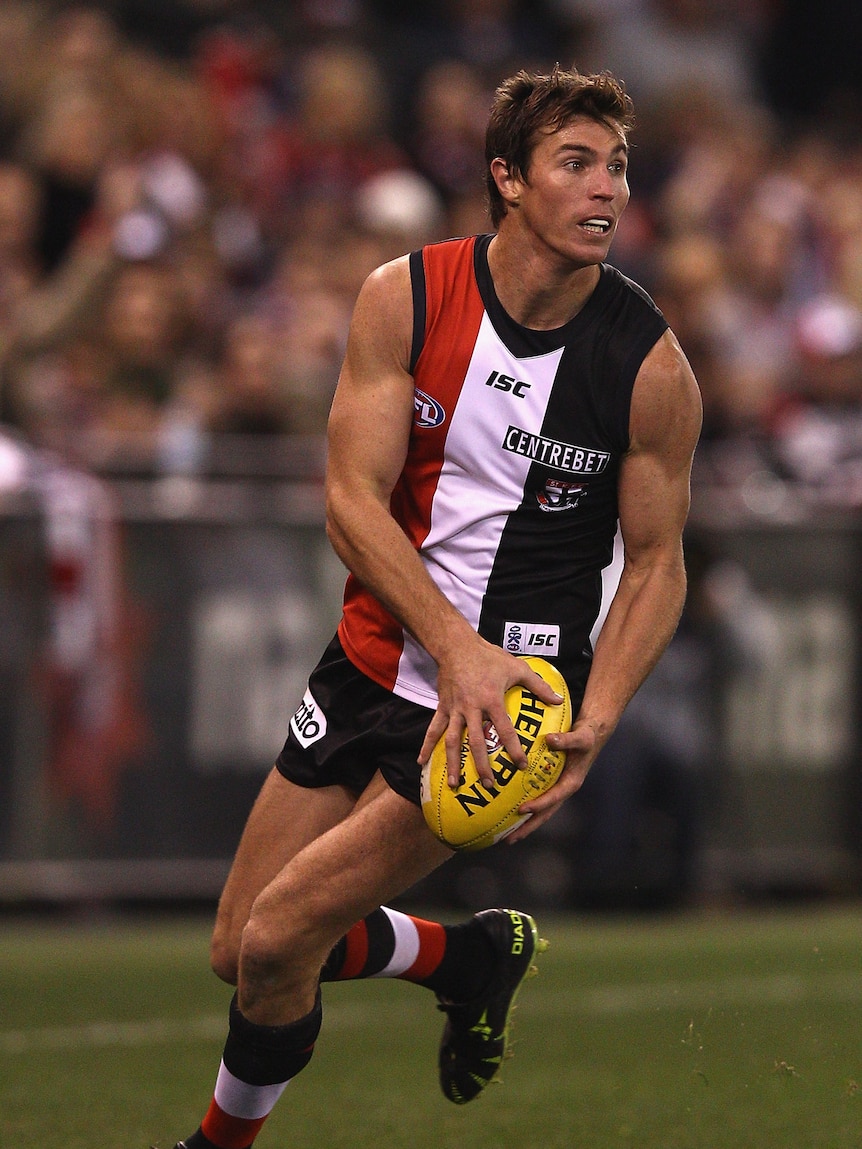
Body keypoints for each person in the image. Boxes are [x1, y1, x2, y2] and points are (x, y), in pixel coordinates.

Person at [170, 65, 702, 1149]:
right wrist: (444, 643)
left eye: (618, 167)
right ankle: (465, 957)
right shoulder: (405, 295)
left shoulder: (646, 365)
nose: (608, 190)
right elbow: (349, 504)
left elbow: (657, 564)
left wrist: (591, 717)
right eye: (576, 163)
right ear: (506, 179)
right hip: (377, 656)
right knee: (239, 948)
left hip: (500, 704)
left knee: (280, 941)